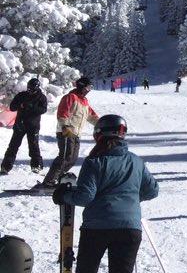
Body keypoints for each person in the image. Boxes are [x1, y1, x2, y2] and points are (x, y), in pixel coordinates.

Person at [53, 114, 158, 273]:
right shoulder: (136, 161)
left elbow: (85, 196)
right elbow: (152, 191)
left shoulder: (95, 161)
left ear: (99, 135)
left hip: (97, 228)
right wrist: (129, 200)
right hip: (130, 229)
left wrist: (63, 196)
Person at [38, 77, 99, 189]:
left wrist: (102, 124)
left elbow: (91, 116)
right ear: (81, 86)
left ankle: (59, 179)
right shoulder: (70, 97)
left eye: (91, 87)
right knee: (65, 157)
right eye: (88, 87)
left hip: (76, 133)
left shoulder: (84, 101)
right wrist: (65, 126)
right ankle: (48, 182)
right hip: (66, 131)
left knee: (72, 159)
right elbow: (62, 113)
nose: (89, 90)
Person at [1, 78, 48, 175]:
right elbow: (12, 107)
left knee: (34, 146)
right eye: (29, 89)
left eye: (32, 90)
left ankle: (36, 166)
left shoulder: (41, 97)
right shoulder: (22, 95)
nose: (30, 91)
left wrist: (31, 107)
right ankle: (6, 166)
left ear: (37, 88)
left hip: (33, 125)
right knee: (13, 146)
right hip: (20, 124)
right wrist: (21, 105)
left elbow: (43, 109)